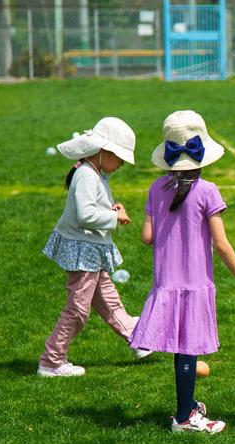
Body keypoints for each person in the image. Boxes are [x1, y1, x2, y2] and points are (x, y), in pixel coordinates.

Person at [128, 111, 235, 434]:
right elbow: (221, 244)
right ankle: (185, 418)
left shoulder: (156, 189)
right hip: (195, 282)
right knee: (188, 346)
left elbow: (147, 237)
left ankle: (187, 405)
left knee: (182, 346)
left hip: (167, 282)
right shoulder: (208, 191)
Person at [38, 117, 152, 377]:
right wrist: (115, 218)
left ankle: (137, 338)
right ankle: (51, 361)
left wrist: (112, 209)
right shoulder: (86, 175)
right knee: (78, 308)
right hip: (82, 252)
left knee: (108, 299)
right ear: (103, 152)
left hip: (90, 249)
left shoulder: (95, 173)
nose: (121, 164)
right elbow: (85, 215)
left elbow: (93, 207)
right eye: (119, 158)